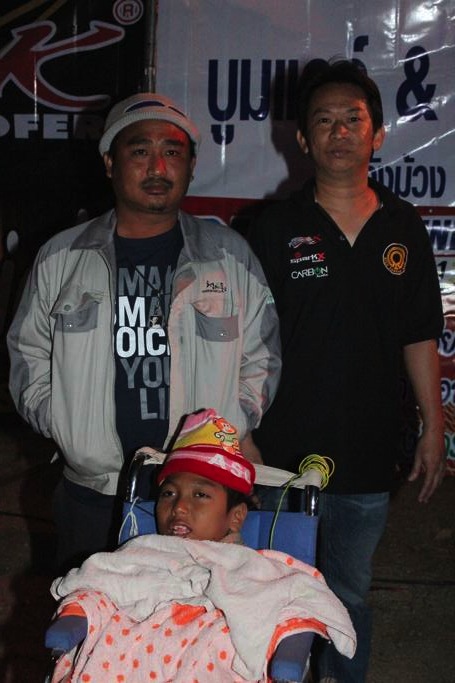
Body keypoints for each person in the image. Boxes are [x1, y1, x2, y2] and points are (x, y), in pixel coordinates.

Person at [7, 93, 281, 572]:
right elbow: (28, 353)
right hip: (94, 494)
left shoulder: (230, 257)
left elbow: (262, 358)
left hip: (196, 498)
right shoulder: (61, 258)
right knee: (88, 613)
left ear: (191, 166)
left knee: (189, 618)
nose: (157, 166)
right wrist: (66, 425)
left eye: (172, 152)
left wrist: (229, 428)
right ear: (110, 163)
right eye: (140, 151)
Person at [247, 58, 446, 683]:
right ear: (302, 140)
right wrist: (242, 433)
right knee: (275, 588)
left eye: (352, 119)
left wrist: (434, 426)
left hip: (369, 450)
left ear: (377, 134)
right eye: (324, 120)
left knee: (349, 589)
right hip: (280, 450)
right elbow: (242, 340)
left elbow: (419, 335)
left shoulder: (403, 227)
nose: (339, 131)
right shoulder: (272, 227)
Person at [48, 409, 356, 682]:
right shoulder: (140, 553)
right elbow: (98, 586)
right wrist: (79, 611)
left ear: (235, 517)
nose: (179, 507)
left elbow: (297, 604)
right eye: (168, 494)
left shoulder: (258, 569)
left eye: (200, 495)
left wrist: (289, 647)